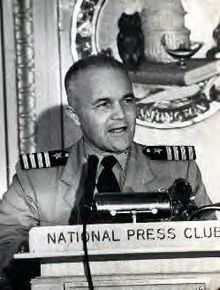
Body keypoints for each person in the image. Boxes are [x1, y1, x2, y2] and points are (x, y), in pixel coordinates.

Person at [0, 54, 214, 289]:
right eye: (104, 104)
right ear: (75, 116)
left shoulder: (178, 170)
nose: (121, 114)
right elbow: (5, 245)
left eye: (128, 100)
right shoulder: (35, 180)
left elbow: (209, 248)